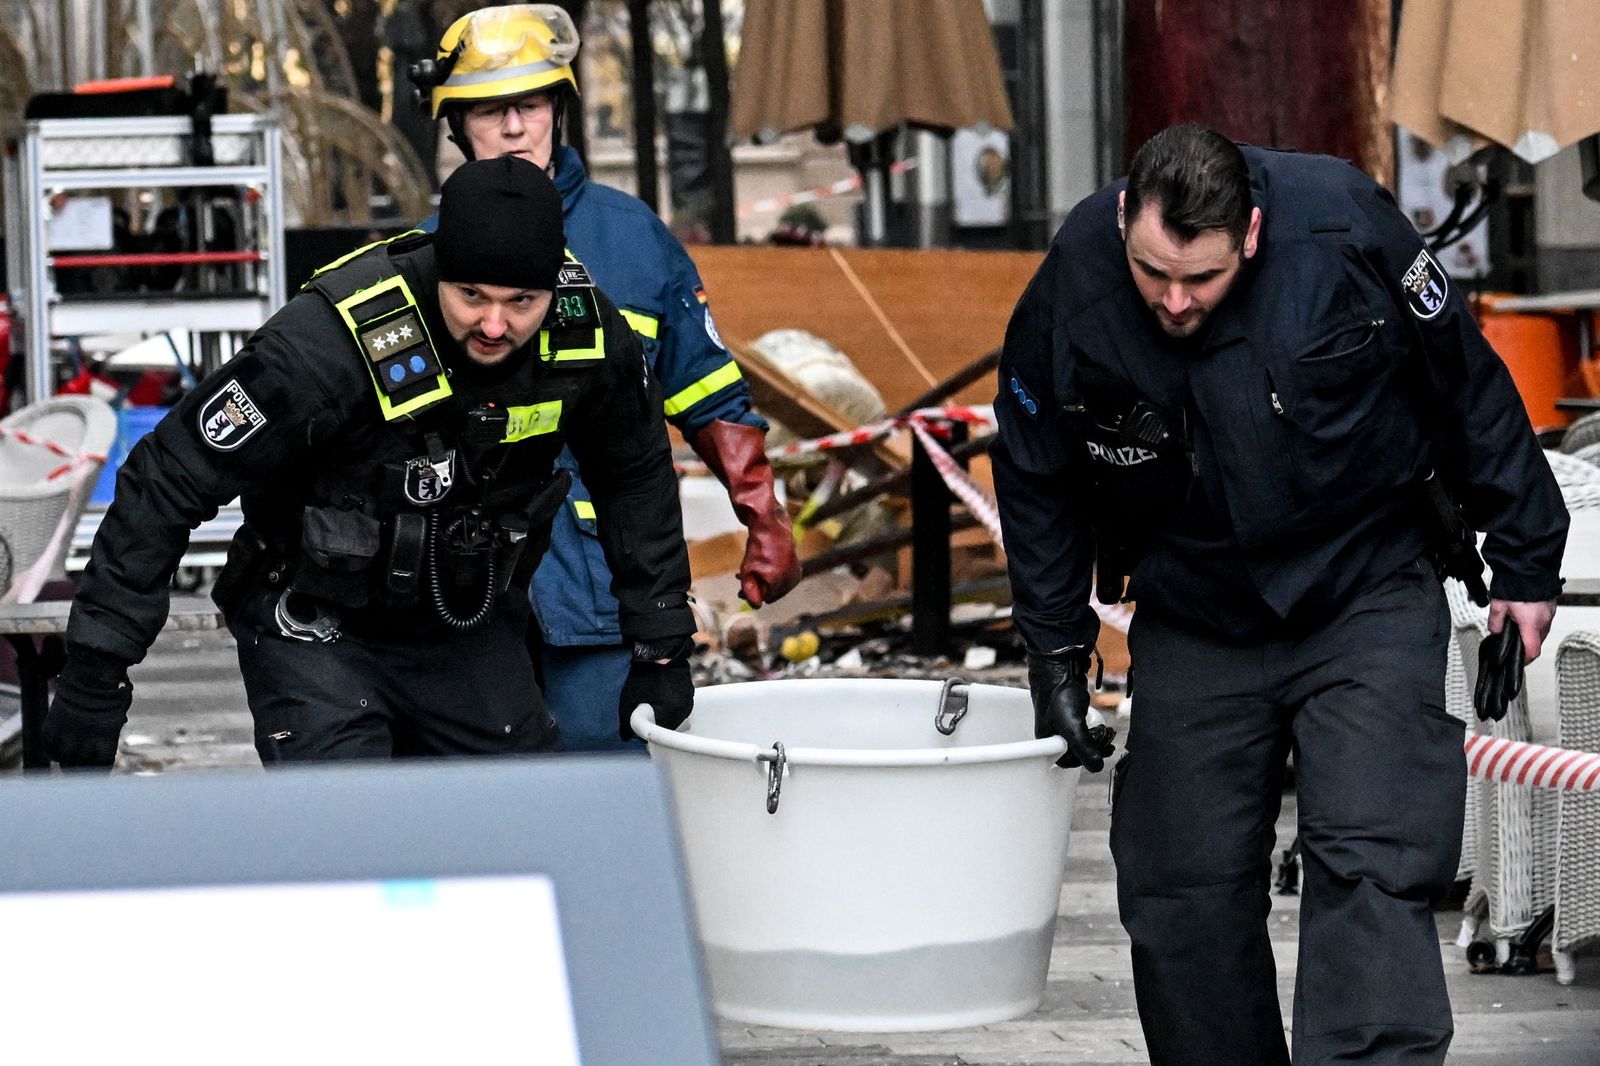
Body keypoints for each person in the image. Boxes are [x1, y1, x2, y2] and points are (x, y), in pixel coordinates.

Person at [992, 123, 1568, 1066]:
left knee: (1372, 863)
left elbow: (1466, 380)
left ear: (1251, 233)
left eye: (1203, 279)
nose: (1175, 302)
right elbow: (1032, 466)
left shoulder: (1343, 224)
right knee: (1179, 885)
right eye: (1153, 274)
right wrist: (1054, 646)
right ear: (1127, 220)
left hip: (1365, 583)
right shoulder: (1077, 280)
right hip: (1197, 605)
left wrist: (1527, 561)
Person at [44, 155, 697, 767]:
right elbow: (168, 477)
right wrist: (97, 672)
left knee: (520, 833)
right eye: (471, 296)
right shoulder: (326, 346)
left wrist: (660, 646)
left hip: (462, 628)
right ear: (441, 268)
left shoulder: (587, 338)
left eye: (520, 303)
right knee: (351, 836)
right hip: (315, 625)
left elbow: (634, 474)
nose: (495, 324)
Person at [409, 4, 800, 750]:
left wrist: (762, 514)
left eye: (530, 104)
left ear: (559, 110)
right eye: (491, 110)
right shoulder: (420, 259)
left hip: (598, 584)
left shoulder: (634, 241)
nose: (516, 127)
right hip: (462, 591)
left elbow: (706, 390)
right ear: (457, 127)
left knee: (603, 793)